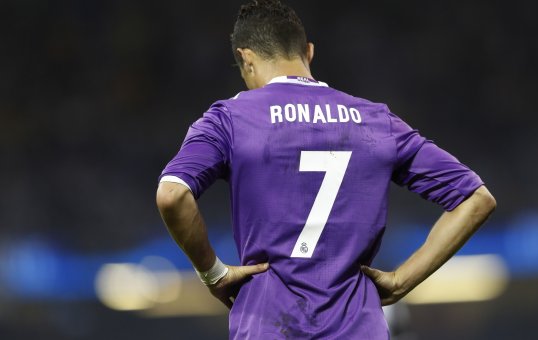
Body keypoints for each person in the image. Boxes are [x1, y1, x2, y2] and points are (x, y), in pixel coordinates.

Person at [156, 0, 496, 338]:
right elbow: (476, 199)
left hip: (269, 327)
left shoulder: (230, 119)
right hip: (358, 328)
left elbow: (172, 195)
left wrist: (213, 274)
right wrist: (401, 281)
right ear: (309, 51)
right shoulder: (377, 121)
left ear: (245, 59)